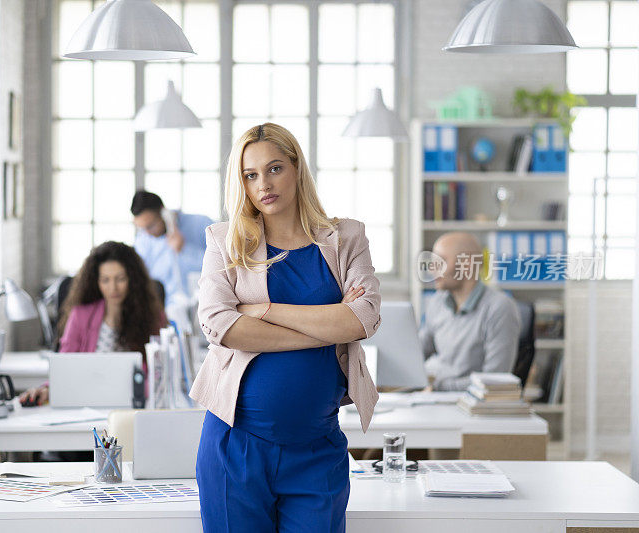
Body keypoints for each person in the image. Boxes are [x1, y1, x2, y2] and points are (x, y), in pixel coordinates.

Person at [190, 123, 382, 533]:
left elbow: (363, 318)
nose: (264, 184)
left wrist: (265, 309)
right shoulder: (224, 242)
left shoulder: (346, 237)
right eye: (250, 175)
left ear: (296, 168)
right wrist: (330, 325)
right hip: (234, 447)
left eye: (275, 168)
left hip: (317, 449)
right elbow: (220, 325)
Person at [19, 241, 166, 406]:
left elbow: (160, 375)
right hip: (87, 405)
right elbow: (65, 367)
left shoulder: (153, 317)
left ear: (132, 279)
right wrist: (48, 389)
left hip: (133, 406)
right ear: (96, 281)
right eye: (105, 280)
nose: (113, 288)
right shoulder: (80, 316)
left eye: (120, 279)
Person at [419, 231, 521, 391]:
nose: (432, 269)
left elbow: (494, 380)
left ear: (466, 264)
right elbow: (418, 353)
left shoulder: (500, 308)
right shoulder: (437, 302)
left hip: (468, 404)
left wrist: (438, 387)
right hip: (433, 394)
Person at [131, 190, 212, 305]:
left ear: (163, 213)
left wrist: (184, 249)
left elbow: (221, 265)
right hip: (162, 309)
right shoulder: (143, 240)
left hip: (202, 304)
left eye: (150, 226)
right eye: (143, 228)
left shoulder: (201, 224)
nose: (148, 232)